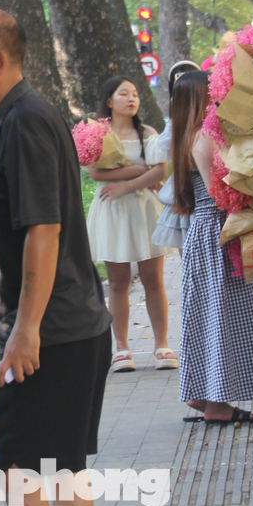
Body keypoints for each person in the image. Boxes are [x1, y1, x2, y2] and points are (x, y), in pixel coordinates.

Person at [0, 7, 112, 501]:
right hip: (60, 335)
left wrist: (25, 329)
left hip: (49, 340)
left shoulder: (24, 122)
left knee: (25, 482)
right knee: (60, 482)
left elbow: (45, 230)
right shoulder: (19, 118)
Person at [171, 70, 253, 424]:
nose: (218, 99)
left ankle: (202, 394)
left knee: (210, 311)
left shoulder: (188, 137)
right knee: (225, 313)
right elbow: (221, 191)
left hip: (206, 232)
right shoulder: (204, 138)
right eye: (211, 95)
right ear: (199, 100)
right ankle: (217, 405)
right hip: (219, 230)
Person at [85, 75, 173, 372]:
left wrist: (127, 183)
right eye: (124, 94)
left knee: (154, 279)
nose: (131, 99)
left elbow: (159, 171)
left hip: (143, 211)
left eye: (135, 94)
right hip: (112, 210)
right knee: (119, 282)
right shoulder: (98, 133)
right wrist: (138, 172)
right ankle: (121, 348)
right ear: (110, 101)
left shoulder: (147, 131)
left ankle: (162, 344)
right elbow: (96, 174)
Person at [150, 60, 202, 251]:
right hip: (186, 192)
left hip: (210, 196)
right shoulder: (174, 123)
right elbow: (170, 154)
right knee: (189, 254)